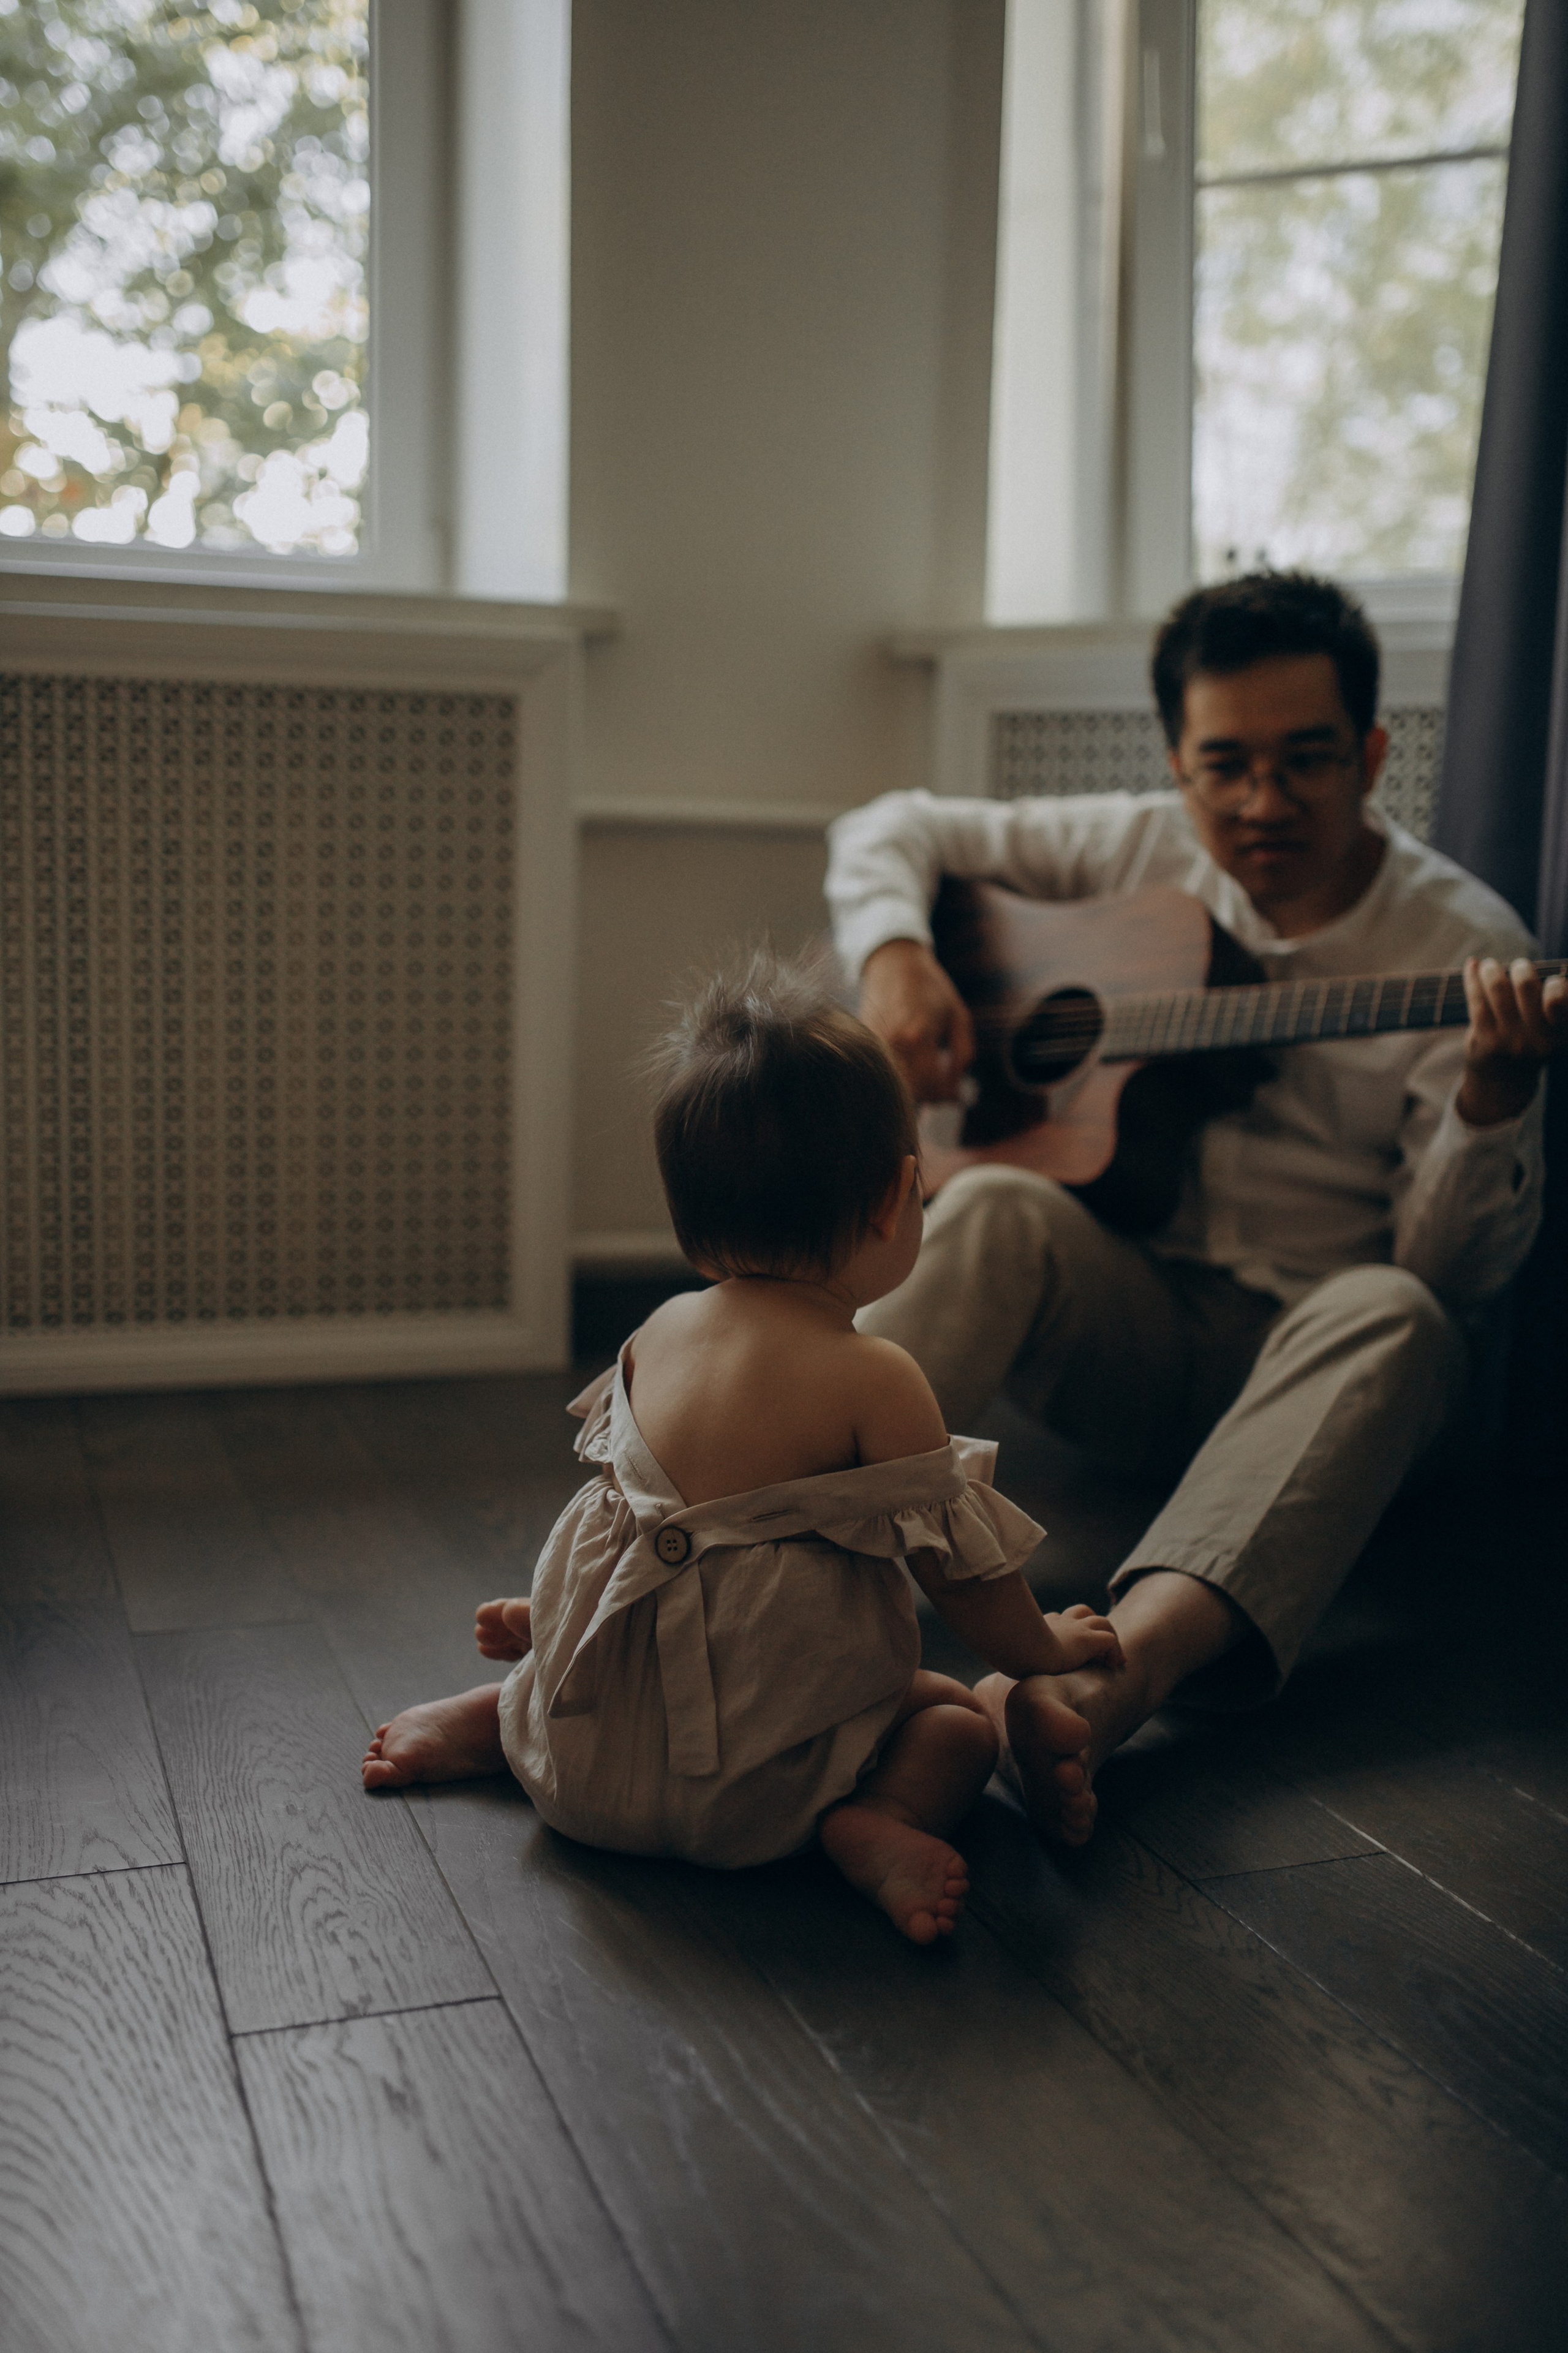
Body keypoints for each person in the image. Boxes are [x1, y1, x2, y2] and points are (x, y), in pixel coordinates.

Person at [826, 570, 1567, 1849]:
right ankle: (765, 1558)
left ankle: (1107, 1685)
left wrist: (1490, 1101)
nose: (1261, 803)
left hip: (1318, 1383)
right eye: (1222, 766)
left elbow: (1447, 1273)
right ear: (1175, 760)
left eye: (1306, 762)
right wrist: (897, 958)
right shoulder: (1135, 847)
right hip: (1132, 1332)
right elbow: (885, 826)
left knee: (1395, 1310)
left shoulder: (1458, 936)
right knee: (994, 1198)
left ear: (1372, 753)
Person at [362, 953, 1121, 1943]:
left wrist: (556, 1611)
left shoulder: (658, 1330)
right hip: (762, 1805)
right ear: (899, 1198)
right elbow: (965, 1579)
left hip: (583, 1774)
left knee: (617, 1626)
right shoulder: (877, 1375)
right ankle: (877, 1823)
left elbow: (640, 1525)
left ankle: (503, 1723)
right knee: (952, 1720)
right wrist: (1049, 1647)